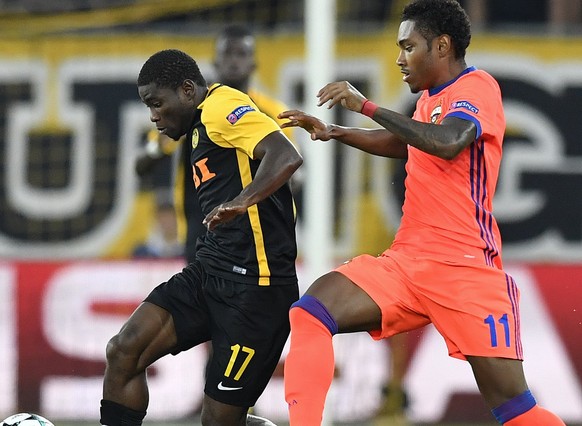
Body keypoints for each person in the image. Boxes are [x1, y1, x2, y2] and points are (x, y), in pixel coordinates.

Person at [278, 1, 566, 425]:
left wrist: (366, 107)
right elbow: (408, 142)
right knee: (312, 310)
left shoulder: (477, 87)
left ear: (442, 46)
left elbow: (448, 141)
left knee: (514, 408)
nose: (399, 59)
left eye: (408, 47)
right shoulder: (431, 99)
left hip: (465, 268)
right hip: (408, 262)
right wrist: (336, 131)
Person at [100, 49, 303, 426]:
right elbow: (145, 160)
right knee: (124, 351)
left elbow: (285, 154)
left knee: (219, 421)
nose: (153, 115)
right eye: (148, 105)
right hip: (209, 273)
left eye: (157, 103)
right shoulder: (194, 126)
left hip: (257, 291)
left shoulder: (222, 108)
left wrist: (243, 202)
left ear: (188, 90)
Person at [135, 24, 297, 265]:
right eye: (227, 53)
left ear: (253, 64)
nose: (233, 61)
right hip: (201, 227)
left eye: (241, 54)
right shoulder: (188, 110)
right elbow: (143, 165)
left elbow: (287, 164)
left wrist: (244, 200)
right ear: (215, 62)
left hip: (254, 233)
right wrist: (157, 146)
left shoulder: (273, 113)